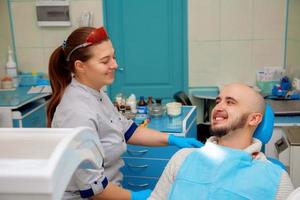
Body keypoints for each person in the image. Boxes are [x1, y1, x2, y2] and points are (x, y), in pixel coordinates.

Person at [47, 26, 202, 200]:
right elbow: (92, 188)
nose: (115, 64)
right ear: (80, 66)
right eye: (105, 61)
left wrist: (171, 140)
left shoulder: (97, 94)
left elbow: (128, 130)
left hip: (111, 189)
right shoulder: (76, 113)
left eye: (113, 57)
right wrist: (134, 197)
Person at [149, 83, 294, 200]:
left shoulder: (276, 179)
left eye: (230, 102)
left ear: (254, 119)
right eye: (218, 101)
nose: (218, 107)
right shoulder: (183, 158)